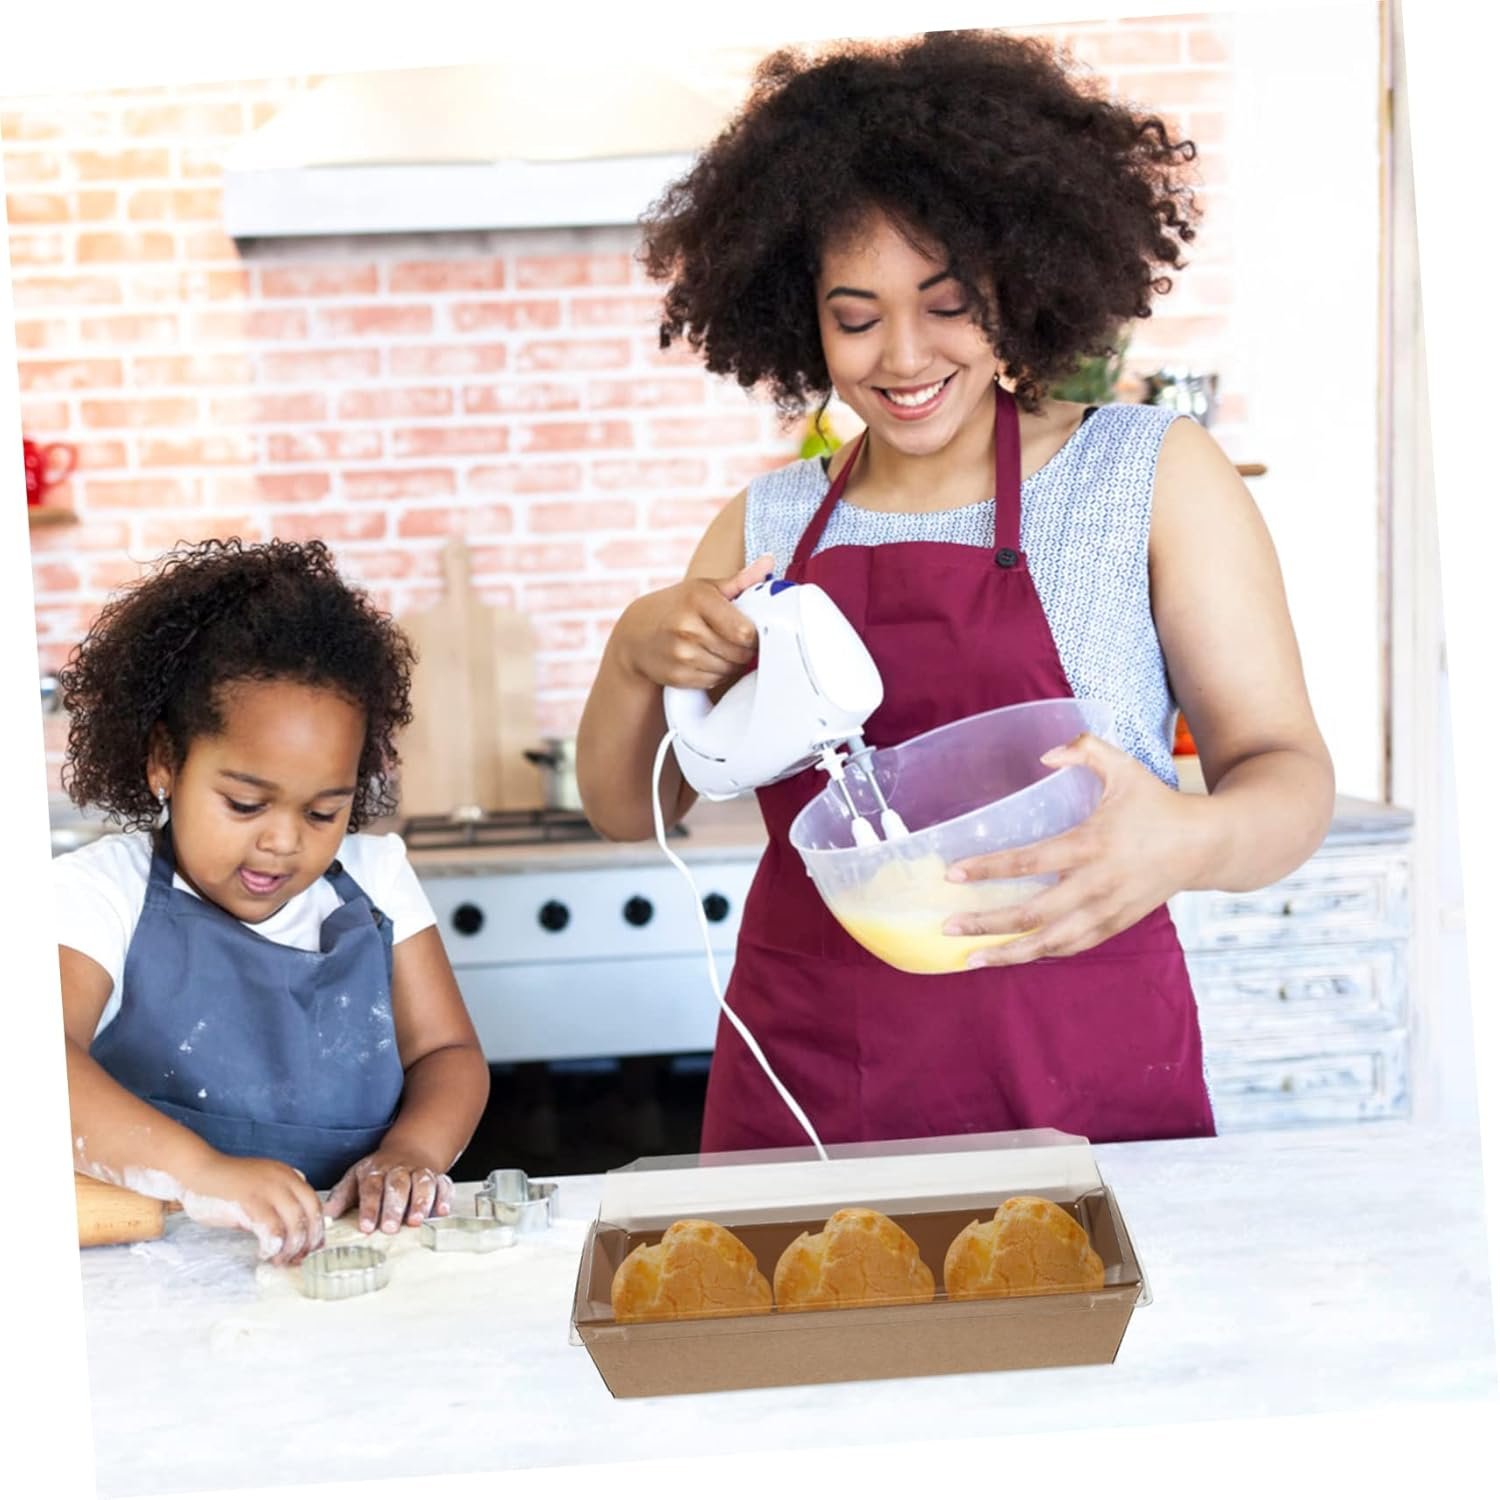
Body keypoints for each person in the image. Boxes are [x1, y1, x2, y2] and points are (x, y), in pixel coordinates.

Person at [575, 30, 1335, 1153]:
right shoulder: (768, 524)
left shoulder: (1146, 476)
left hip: (1084, 1080)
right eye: (855, 315)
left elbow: (1287, 774)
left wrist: (1186, 843)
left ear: (1020, 281)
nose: (902, 355)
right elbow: (633, 809)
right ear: (799, 315)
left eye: (946, 302)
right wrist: (634, 658)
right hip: (814, 1093)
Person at [54, 538, 490, 1263]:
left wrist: (414, 1148)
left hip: (350, 1259)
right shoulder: (104, 891)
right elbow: (33, 1062)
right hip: (160, 1269)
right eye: (246, 804)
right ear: (166, 760)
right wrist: (202, 1174)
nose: (283, 843)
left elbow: (447, 1051)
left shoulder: (376, 881)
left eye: (324, 813)